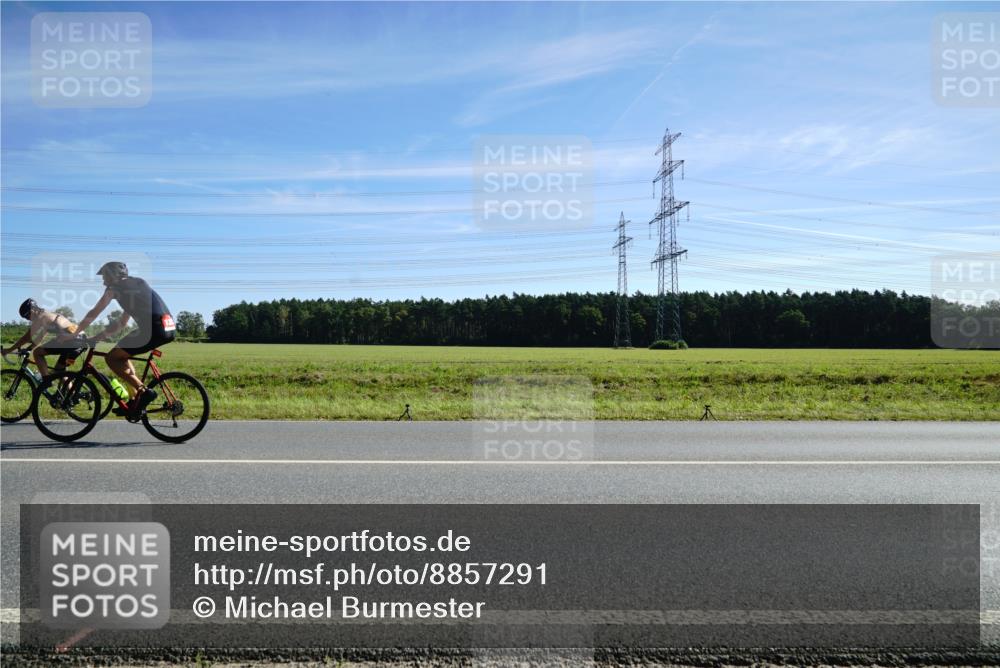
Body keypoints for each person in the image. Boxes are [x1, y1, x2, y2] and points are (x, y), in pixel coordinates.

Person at [68, 262, 176, 419]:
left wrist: (75, 333)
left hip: (152, 329)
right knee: (121, 355)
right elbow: (122, 323)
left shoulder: (114, 288)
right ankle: (134, 400)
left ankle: (144, 392)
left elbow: (95, 312)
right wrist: (98, 337)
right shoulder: (137, 284)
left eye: (104, 276)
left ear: (113, 276)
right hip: (168, 328)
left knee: (111, 358)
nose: (103, 281)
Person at [1, 298, 87, 378]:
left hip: (71, 340)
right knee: (59, 373)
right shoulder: (49, 315)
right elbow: (39, 338)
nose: (28, 319)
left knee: (37, 353)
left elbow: (27, 337)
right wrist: (29, 348)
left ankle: (46, 382)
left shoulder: (41, 317)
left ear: (33, 310)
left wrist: (9, 350)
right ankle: (72, 393)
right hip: (81, 339)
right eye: (25, 318)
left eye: (27, 316)